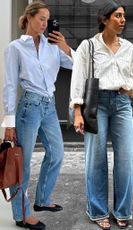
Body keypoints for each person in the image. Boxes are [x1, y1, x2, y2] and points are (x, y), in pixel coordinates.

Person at [1, 1, 74, 229]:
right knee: (23, 163)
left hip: (49, 106)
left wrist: (65, 47)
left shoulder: (52, 46)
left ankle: (42, 200)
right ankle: (22, 214)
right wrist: (9, 123)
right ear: (29, 18)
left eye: (47, 19)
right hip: (29, 107)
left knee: (57, 153)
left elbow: (77, 65)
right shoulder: (16, 47)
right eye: (41, 18)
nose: (45, 23)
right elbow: (11, 86)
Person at [70, 0, 133, 229]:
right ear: (104, 20)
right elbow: (78, 80)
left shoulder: (128, 48)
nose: (122, 20)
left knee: (126, 159)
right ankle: (98, 211)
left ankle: (123, 210)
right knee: (95, 160)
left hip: (122, 103)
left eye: (124, 16)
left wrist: (129, 89)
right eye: (118, 16)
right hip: (95, 104)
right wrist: (77, 112)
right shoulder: (88, 46)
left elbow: (132, 76)